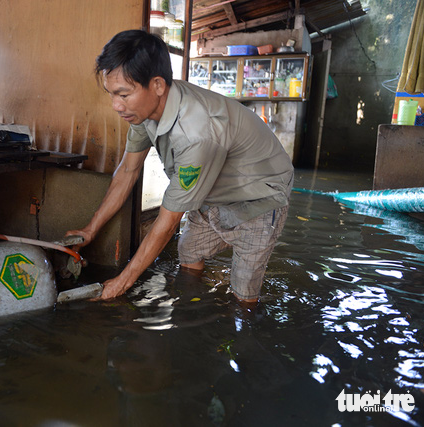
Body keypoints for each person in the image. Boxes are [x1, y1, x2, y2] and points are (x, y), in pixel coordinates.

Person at [66, 29, 293, 305]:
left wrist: (122, 283)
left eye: (124, 94)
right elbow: (127, 172)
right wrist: (91, 229)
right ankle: (192, 307)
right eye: (111, 94)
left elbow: (169, 220)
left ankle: (242, 325)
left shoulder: (196, 132)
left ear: (158, 85)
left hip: (259, 194)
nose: (116, 105)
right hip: (213, 191)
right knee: (188, 253)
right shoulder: (143, 112)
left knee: (243, 292)